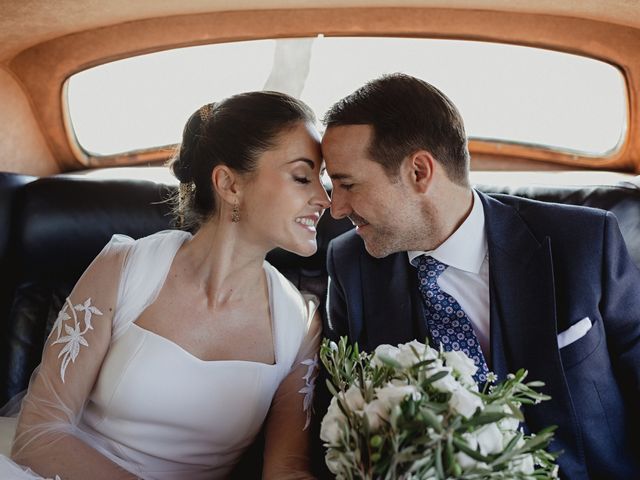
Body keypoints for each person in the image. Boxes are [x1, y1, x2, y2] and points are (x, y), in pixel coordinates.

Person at [317, 73, 640, 479]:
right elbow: (342, 415)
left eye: (346, 184)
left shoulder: (584, 243)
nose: (337, 209)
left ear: (420, 172)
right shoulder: (349, 266)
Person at [0, 91, 331, 479]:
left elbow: (286, 469)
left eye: (323, 180)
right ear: (229, 184)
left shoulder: (300, 324)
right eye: (303, 177)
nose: (324, 199)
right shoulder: (124, 268)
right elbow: (40, 433)